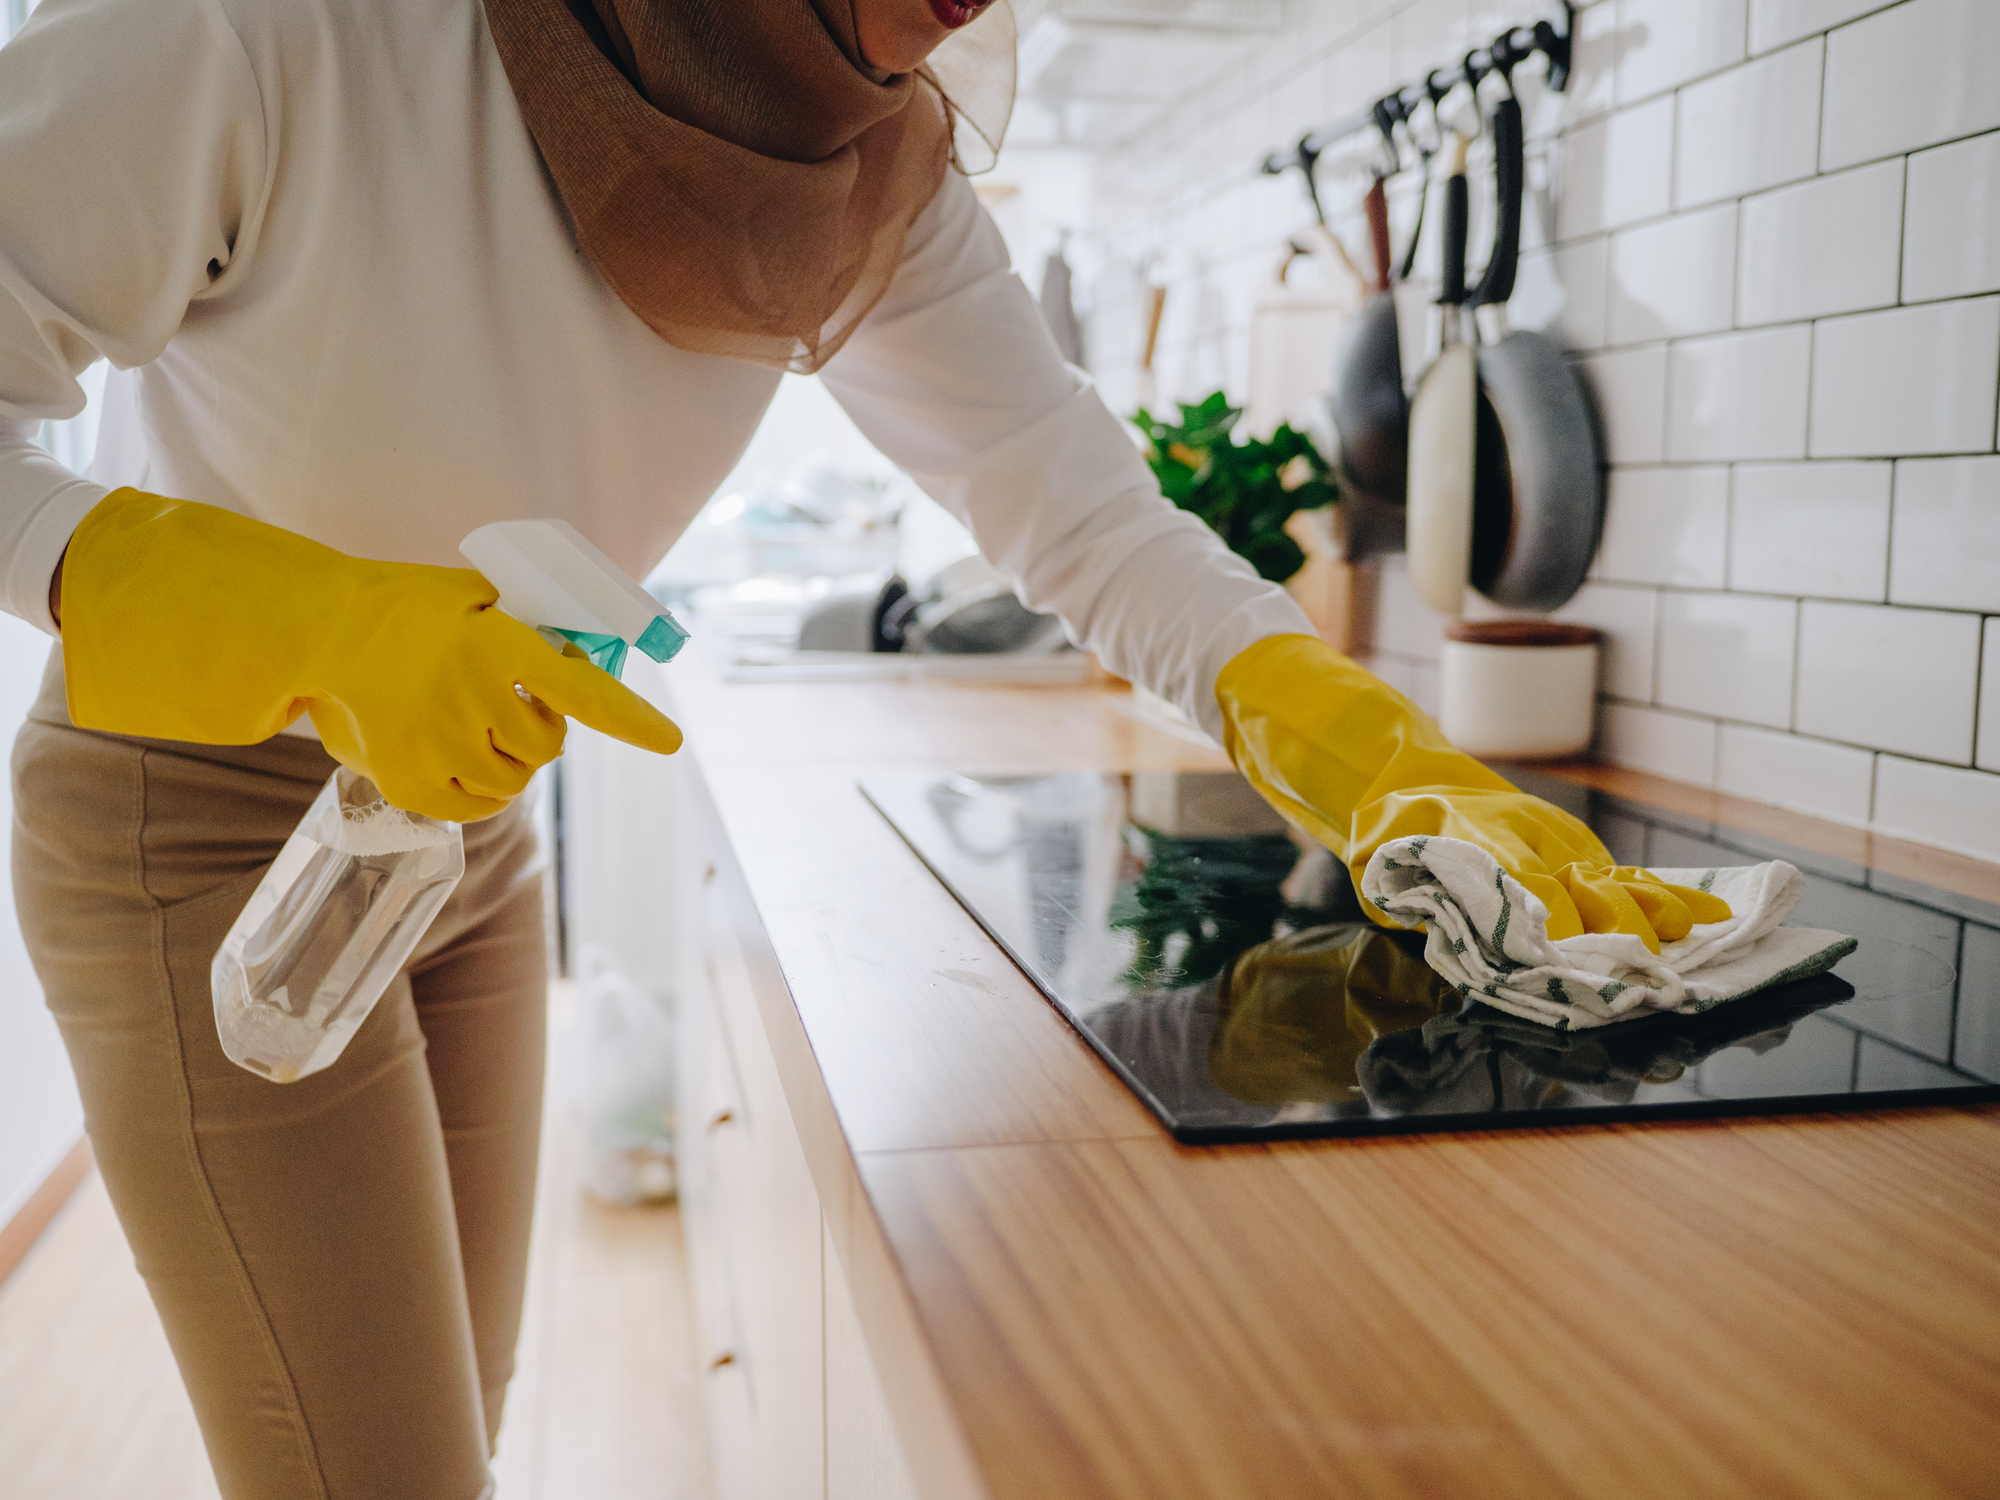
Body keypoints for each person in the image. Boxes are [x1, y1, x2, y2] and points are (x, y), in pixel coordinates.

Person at [0, 0, 1723, 1494]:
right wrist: (293, 620)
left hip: (461, 822)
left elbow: (1085, 516)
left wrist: (1361, 741)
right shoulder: (268, 27)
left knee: (456, 1426)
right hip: (198, 828)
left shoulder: (865, 159)